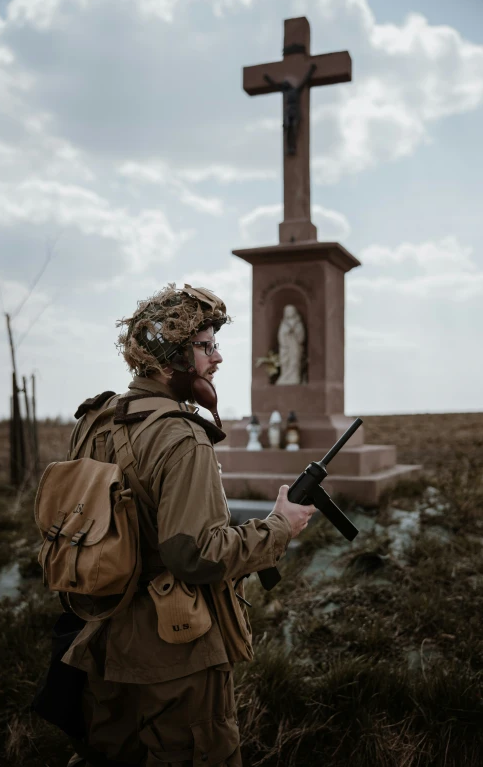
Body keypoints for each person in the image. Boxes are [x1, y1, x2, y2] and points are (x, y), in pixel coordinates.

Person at [63, 283, 316, 767]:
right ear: (170, 355)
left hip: (101, 637)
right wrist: (280, 527)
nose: (216, 358)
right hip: (175, 657)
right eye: (205, 346)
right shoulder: (182, 436)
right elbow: (195, 554)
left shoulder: (95, 419)